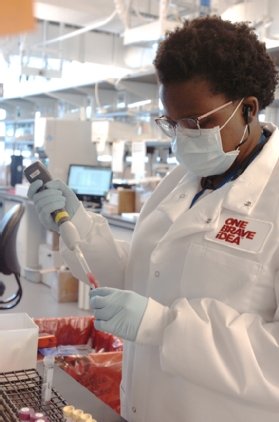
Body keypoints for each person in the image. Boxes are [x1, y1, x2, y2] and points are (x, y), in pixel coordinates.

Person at [27, 15, 279, 422]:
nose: (182, 137)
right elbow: (141, 278)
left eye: (197, 123)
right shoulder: (182, 179)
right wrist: (79, 227)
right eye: (171, 122)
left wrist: (164, 327)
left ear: (248, 109)